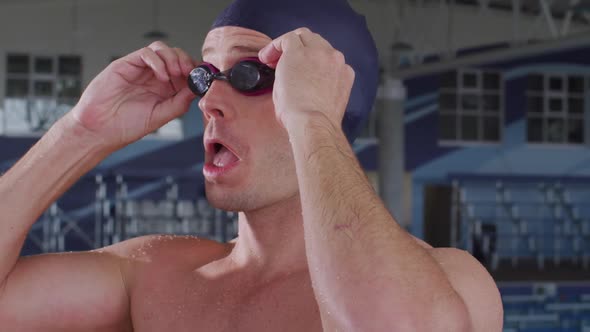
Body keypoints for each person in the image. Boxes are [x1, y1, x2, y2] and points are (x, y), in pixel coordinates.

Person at [0, 0, 503, 330]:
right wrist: (82, 132)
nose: (208, 101)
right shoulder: (154, 277)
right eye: (205, 75)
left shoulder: (451, 281)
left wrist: (310, 118)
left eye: (248, 74)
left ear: (329, 98)